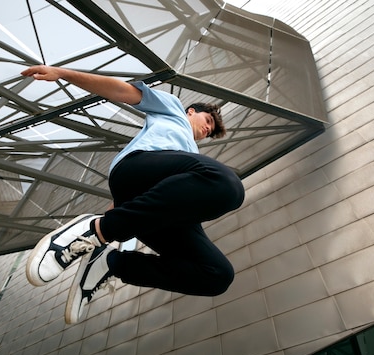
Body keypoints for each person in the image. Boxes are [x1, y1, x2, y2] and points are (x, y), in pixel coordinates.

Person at [21, 65, 245, 324]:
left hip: (151, 212)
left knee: (218, 275)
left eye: (211, 131)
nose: (208, 129)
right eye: (208, 121)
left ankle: (111, 263)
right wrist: (64, 74)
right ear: (191, 111)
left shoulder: (192, 157)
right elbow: (120, 90)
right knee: (229, 187)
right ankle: (95, 230)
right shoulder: (172, 109)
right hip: (137, 169)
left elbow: (170, 197)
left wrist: (121, 211)